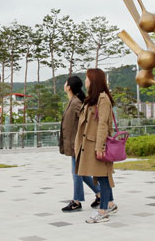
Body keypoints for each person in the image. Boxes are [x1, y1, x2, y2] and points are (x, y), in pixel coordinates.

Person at [75, 68, 118, 224]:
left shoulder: (103, 99)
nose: (85, 81)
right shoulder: (92, 98)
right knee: (100, 176)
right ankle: (109, 205)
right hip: (90, 144)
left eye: (87, 78)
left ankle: (103, 210)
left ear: (93, 81)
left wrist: (100, 147)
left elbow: (103, 125)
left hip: (97, 145)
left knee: (103, 177)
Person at [59, 76, 100, 212]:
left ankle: (76, 201)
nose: (64, 85)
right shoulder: (73, 101)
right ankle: (100, 193)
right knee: (79, 172)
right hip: (73, 143)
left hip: (77, 144)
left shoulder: (76, 102)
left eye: (66, 83)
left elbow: (87, 119)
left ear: (69, 87)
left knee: (76, 173)